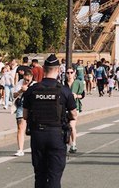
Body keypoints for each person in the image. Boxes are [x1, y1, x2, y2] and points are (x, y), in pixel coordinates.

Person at [23, 54, 78, 186]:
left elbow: (25, 115)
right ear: (58, 70)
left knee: (40, 174)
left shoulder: (32, 90)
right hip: (56, 135)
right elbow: (74, 114)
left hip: (37, 134)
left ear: (43, 69)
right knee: (54, 175)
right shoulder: (64, 91)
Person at [13, 68, 33, 157]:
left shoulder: (34, 84)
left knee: (34, 129)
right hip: (22, 105)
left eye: (28, 80)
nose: (26, 81)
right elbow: (14, 95)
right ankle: (20, 149)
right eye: (25, 79)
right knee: (20, 127)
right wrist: (21, 90)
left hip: (33, 107)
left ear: (31, 78)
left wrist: (28, 89)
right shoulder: (20, 83)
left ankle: (35, 147)